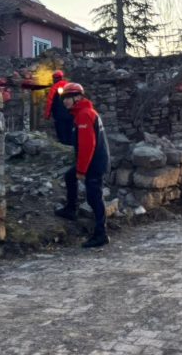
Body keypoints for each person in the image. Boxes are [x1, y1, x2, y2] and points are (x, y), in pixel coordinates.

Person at [54, 82, 110, 248]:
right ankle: (71, 209)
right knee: (69, 177)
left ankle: (101, 234)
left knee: (94, 198)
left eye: (68, 98)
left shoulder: (84, 115)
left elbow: (87, 145)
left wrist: (81, 170)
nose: (65, 102)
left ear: (78, 98)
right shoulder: (83, 113)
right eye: (63, 98)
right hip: (95, 161)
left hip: (95, 163)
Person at [44, 70, 74, 146]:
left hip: (59, 115)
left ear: (55, 78)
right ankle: (71, 147)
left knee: (61, 133)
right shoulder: (69, 86)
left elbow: (50, 102)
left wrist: (47, 115)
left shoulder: (54, 88)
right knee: (70, 131)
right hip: (71, 114)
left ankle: (63, 147)